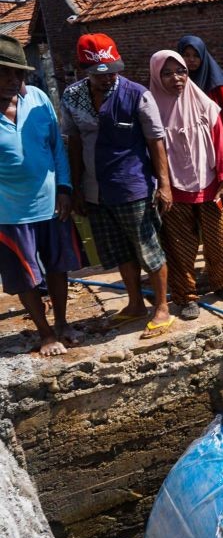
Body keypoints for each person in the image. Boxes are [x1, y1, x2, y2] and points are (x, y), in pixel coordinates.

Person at [61, 33, 176, 339]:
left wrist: (164, 185)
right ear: (84, 69)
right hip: (95, 190)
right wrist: (75, 188)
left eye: (112, 71)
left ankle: (162, 307)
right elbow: (73, 143)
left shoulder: (137, 95)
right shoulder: (72, 97)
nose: (107, 78)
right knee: (119, 252)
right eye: (99, 73)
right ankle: (135, 304)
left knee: (149, 250)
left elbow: (156, 142)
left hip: (132, 188)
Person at [0, 34, 87, 355]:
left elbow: (57, 149)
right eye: (5, 73)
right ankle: (45, 332)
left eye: (18, 73)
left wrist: (64, 188)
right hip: (9, 210)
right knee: (23, 276)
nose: (13, 79)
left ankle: (62, 322)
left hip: (51, 204)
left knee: (57, 266)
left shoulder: (37, 99)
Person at [149, 49, 223, 321]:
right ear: (156, 75)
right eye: (167, 73)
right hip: (174, 190)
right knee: (179, 246)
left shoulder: (204, 104)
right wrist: (160, 187)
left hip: (210, 184)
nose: (176, 78)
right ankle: (186, 296)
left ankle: (221, 283)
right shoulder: (150, 108)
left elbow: (221, 144)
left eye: (181, 71)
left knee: (217, 240)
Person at [176, 35, 223, 133]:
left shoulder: (218, 86)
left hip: (213, 134)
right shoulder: (174, 82)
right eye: (186, 55)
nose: (191, 59)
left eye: (196, 55)